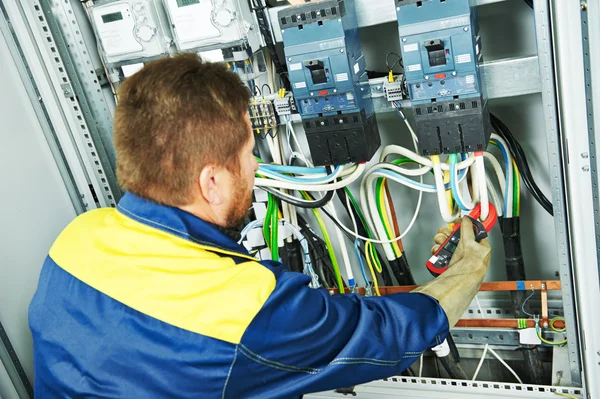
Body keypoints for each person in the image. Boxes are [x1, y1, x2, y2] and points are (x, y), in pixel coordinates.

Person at [29, 53, 491, 398]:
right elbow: (387, 336)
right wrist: (467, 269)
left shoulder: (76, 240)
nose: (255, 168)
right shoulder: (246, 309)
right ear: (210, 181)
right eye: (250, 154)